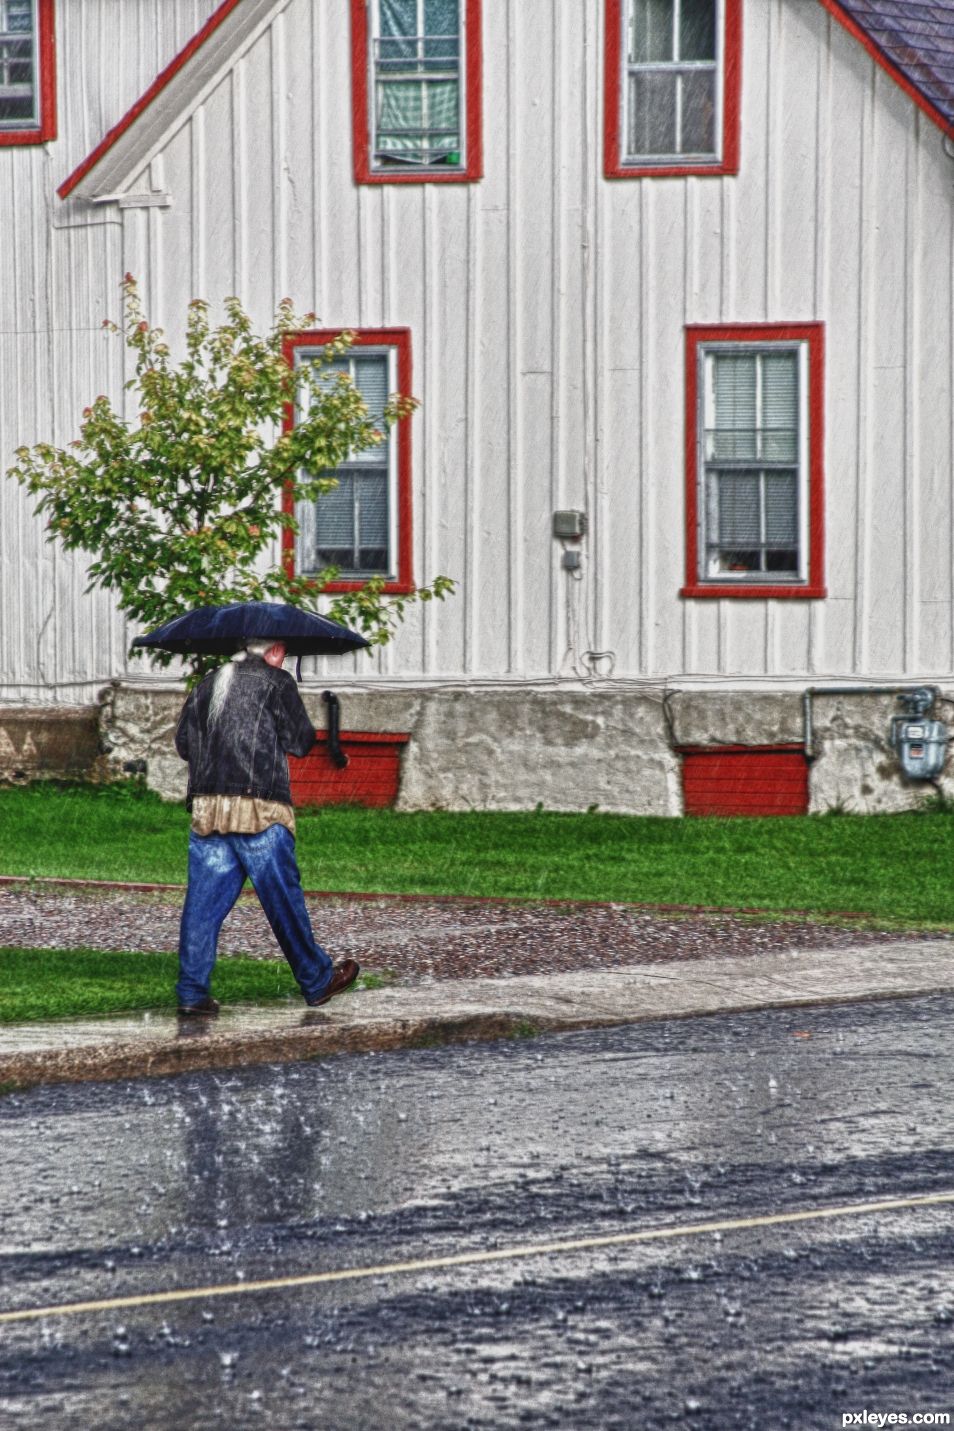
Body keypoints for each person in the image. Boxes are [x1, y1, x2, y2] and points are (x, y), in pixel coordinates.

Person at [173, 638, 359, 1014]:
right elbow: (300, 741)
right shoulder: (277, 681)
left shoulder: (207, 683)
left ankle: (192, 994)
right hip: (260, 807)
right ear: (274, 650)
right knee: (283, 903)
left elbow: (183, 744)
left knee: (201, 908)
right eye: (284, 652)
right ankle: (317, 980)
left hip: (208, 808)